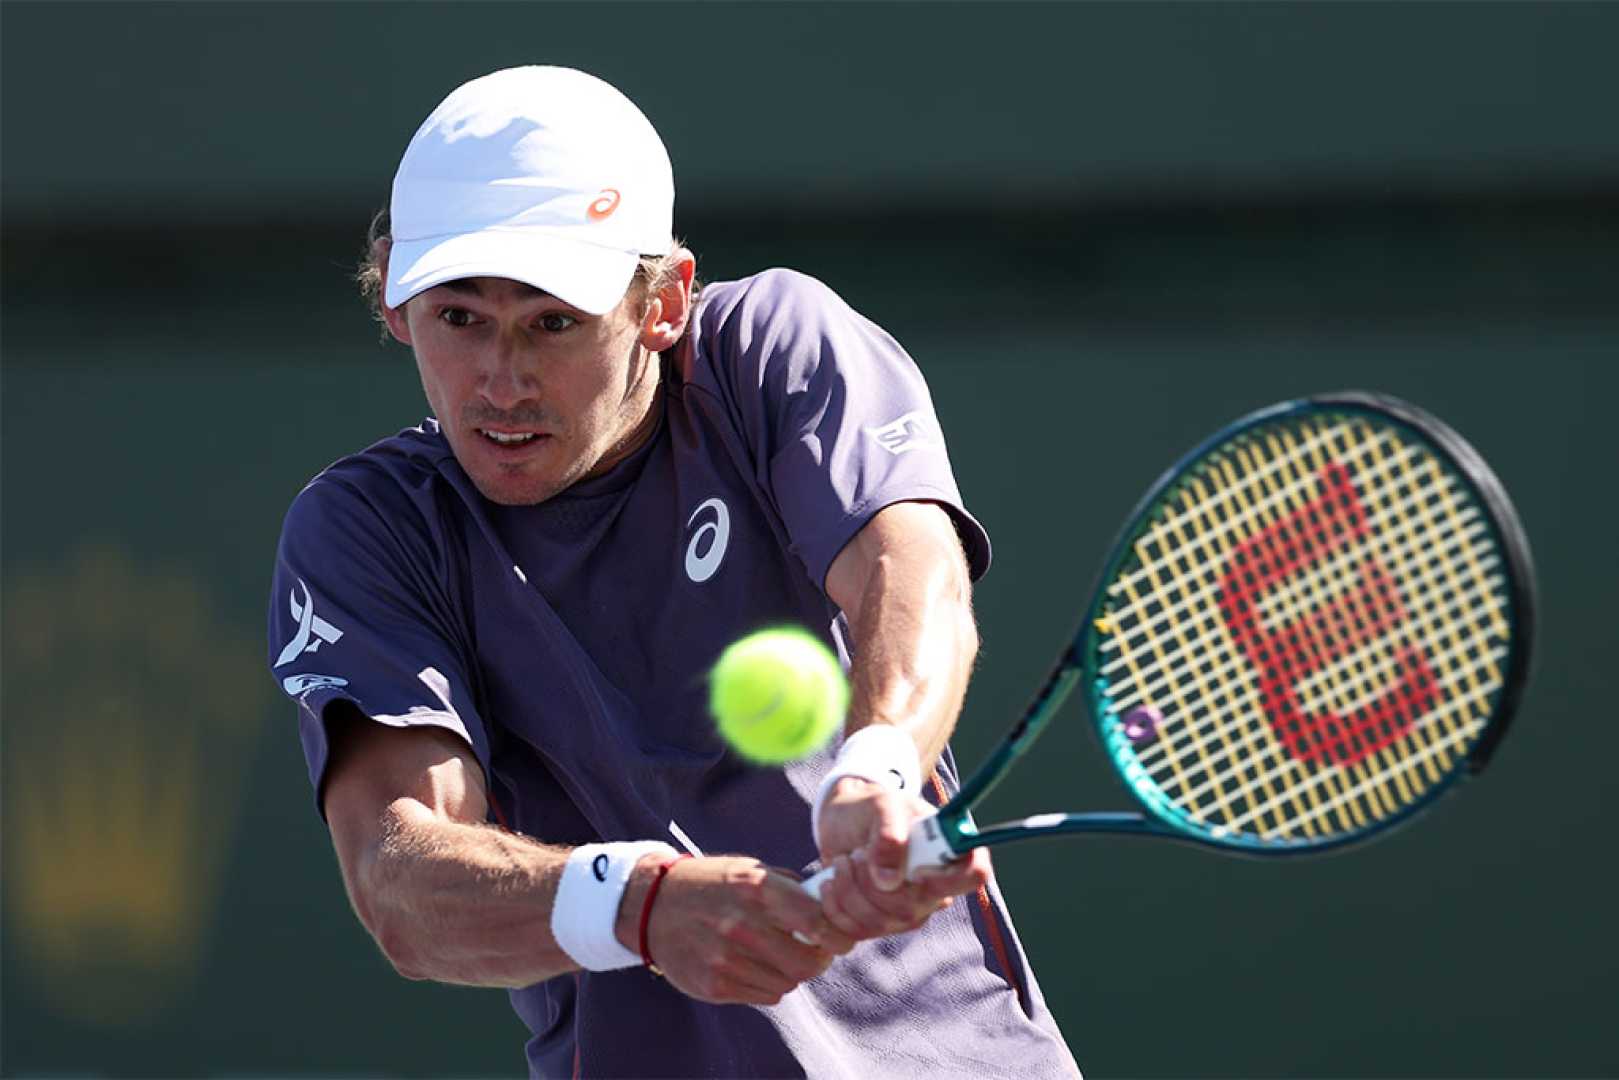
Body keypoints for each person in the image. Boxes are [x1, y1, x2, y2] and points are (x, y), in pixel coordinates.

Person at [268, 65, 1079, 1079]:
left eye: (552, 322)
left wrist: (878, 768)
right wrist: (638, 907)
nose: (500, 379)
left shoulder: (769, 351)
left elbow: (908, 570)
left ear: (663, 302)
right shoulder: (370, 528)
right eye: (458, 318)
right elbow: (402, 879)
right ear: (393, 305)